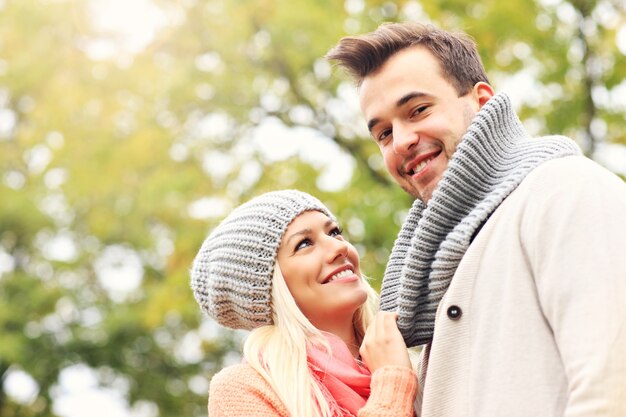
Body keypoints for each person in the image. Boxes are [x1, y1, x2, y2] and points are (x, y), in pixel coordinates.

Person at [326, 22, 626, 417]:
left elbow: (611, 386)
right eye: (383, 133)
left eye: (418, 110)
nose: (401, 141)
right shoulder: (445, 261)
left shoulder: (565, 190)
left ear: (483, 101)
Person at [190, 189, 418, 417]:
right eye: (304, 244)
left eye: (334, 232)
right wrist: (392, 384)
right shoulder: (244, 389)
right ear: (269, 289)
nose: (339, 247)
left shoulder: (414, 358)